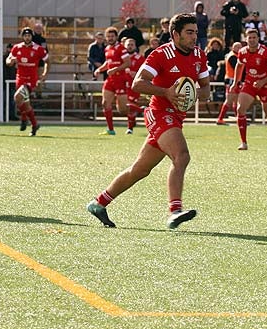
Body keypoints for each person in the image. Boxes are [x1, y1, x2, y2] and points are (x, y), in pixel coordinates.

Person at [86, 13, 210, 230]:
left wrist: (192, 95)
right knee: (181, 155)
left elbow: (206, 90)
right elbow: (138, 83)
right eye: (189, 32)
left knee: (139, 170)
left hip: (176, 118)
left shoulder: (199, 55)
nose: (194, 37)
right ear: (175, 34)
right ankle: (175, 211)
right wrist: (167, 92)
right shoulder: (160, 55)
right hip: (158, 113)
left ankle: (99, 203)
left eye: (196, 33)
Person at [234, 27, 267, 151]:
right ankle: (243, 143)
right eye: (249, 38)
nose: (252, 40)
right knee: (240, 109)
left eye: (254, 37)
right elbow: (239, 66)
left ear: (258, 38)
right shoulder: (242, 52)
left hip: (264, 85)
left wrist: (263, 81)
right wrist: (236, 82)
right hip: (249, 83)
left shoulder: (265, 52)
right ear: (246, 39)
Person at [7, 27, 49, 136]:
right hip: (20, 78)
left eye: (29, 35)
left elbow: (48, 61)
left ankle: (24, 119)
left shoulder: (38, 49)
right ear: (22, 37)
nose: (27, 37)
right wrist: (10, 61)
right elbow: (8, 60)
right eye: (25, 35)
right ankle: (34, 125)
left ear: (32, 37)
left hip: (31, 79)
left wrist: (45, 74)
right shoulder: (17, 48)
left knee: (17, 97)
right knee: (25, 104)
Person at [93, 27, 132, 136]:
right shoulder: (107, 49)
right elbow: (108, 63)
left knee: (123, 110)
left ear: (116, 37)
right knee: (105, 103)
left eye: (112, 36)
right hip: (110, 80)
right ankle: (111, 130)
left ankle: (141, 109)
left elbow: (128, 63)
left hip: (120, 79)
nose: (110, 38)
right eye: (108, 36)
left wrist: (115, 69)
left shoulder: (121, 48)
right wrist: (99, 69)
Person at [215, 42, 244, 125]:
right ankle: (220, 119)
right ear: (233, 48)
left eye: (240, 47)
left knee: (236, 101)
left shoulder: (234, 56)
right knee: (229, 100)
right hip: (232, 80)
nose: (239, 49)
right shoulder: (233, 57)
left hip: (234, 80)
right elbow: (237, 68)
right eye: (237, 47)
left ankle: (239, 119)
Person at [123, 37, 146, 134]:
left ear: (135, 46)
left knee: (130, 105)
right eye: (128, 44)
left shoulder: (140, 58)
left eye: (132, 44)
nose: (130, 46)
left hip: (134, 86)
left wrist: (136, 73)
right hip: (122, 84)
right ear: (125, 46)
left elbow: (145, 72)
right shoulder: (122, 57)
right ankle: (142, 110)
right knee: (124, 106)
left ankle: (130, 128)